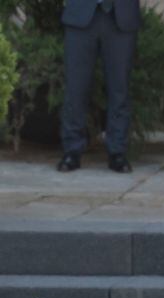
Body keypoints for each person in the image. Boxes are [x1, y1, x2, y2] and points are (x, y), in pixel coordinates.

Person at [57, 0, 140, 173]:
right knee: (76, 87)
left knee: (119, 88)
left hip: (121, 14)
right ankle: (72, 149)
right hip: (81, 12)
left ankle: (117, 151)